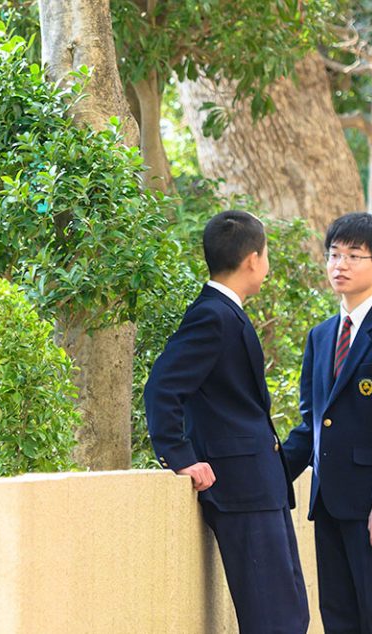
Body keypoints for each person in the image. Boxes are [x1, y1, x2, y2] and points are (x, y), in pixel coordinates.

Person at [145, 210, 309, 633]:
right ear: (253, 259)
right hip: (240, 490)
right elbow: (162, 387)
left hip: (259, 485)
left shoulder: (225, 311)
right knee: (274, 620)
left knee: (288, 615)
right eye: (267, 254)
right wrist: (181, 457)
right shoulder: (212, 316)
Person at [282, 212, 372, 634]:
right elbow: (312, 423)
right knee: (338, 617)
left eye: (353, 256)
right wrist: (271, 475)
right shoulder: (321, 335)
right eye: (333, 255)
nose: (339, 265)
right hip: (327, 501)